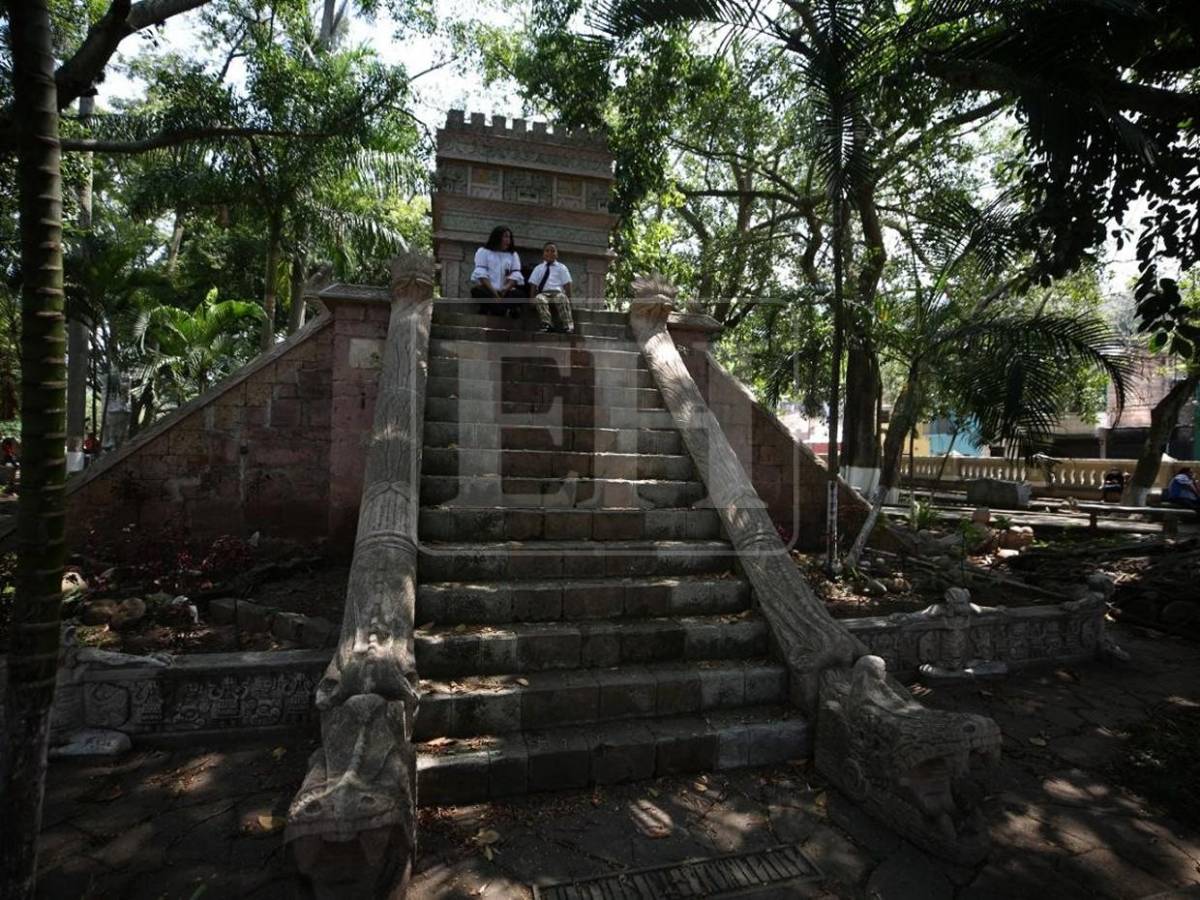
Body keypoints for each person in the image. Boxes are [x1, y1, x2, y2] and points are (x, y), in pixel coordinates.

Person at [470, 225, 524, 316]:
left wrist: (505, 289)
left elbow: (516, 275)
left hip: (505, 291)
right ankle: (506, 311)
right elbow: (481, 275)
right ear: (497, 237)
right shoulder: (483, 252)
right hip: (489, 289)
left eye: (509, 237)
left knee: (520, 295)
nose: (508, 240)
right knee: (476, 291)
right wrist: (495, 294)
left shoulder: (513, 255)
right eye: (505, 236)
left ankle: (489, 309)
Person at [528, 241, 575, 334]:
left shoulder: (562, 268)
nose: (550, 253)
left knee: (562, 298)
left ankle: (568, 325)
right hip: (544, 293)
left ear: (557, 254)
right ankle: (547, 324)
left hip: (557, 293)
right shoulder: (538, 268)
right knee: (539, 298)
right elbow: (533, 285)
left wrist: (570, 299)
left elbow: (567, 284)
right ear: (543, 254)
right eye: (547, 251)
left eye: (553, 251)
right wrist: (531, 299)